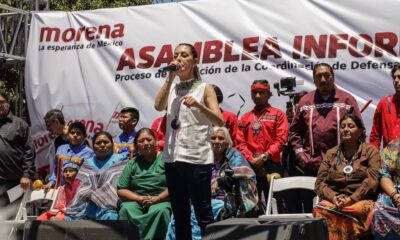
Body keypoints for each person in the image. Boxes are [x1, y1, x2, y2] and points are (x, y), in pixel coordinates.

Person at [154, 43, 224, 239]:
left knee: (203, 214)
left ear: (195, 61)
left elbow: (219, 121)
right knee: (180, 214)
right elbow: (158, 106)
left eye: (184, 55)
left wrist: (199, 106)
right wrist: (169, 78)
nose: (178, 59)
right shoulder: (172, 87)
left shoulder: (204, 88)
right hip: (172, 159)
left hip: (196, 158)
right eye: (176, 55)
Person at [166, 126, 258, 240]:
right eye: (213, 138)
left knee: (195, 214)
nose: (217, 141)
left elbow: (246, 172)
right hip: (198, 198)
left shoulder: (233, 155)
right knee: (177, 215)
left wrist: (219, 182)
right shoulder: (200, 155)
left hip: (223, 199)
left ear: (228, 142)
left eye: (221, 138)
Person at [314, 113, 380, 240]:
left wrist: (352, 199)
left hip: (360, 200)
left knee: (354, 210)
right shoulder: (331, 153)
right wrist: (334, 197)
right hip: (335, 200)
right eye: (343, 126)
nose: (346, 129)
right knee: (321, 208)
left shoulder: (371, 151)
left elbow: (372, 181)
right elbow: (319, 183)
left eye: (351, 126)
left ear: (360, 131)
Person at [289, 63, 362, 177]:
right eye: (319, 76)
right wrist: (300, 154)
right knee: (312, 195)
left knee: (340, 195)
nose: (323, 80)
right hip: (312, 165)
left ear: (333, 77)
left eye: (326, 75)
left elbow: (360, 130)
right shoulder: (305, 101)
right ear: (314, 80)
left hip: (342, 165)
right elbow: (295, 131)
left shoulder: (347, 100)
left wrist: (354, 157)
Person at [238, 80, 288, 202]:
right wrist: (252, 160)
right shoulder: (245, 117)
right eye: (254, 92)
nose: (258, 95)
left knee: (276, 203)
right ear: (251, 95)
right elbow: (240, 143)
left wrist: (264, 157)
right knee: (252, 204)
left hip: (272, 165)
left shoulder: (279, 114)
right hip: (250, 166)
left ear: (269, 94)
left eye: (262, 92)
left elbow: (281, 140)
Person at [118, 128, 171, 240]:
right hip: (137, 200)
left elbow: (176, 185)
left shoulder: (167, 160)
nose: (146, 143)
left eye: (149, 139)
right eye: (141, 141)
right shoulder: (132, 163)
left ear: (156, 141)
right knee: (126, 209)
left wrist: (157, 198)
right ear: (136, 146)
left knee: (160, 211)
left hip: (162, 200)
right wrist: (138, 198)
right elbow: (122, 189)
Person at [66, 131, 128, 220]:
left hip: (109, 206)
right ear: (93, 147)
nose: (102, 145)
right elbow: (80, 186)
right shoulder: (87, 162)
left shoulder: (121, 160)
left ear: (112, 144)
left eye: (106, 142)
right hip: (86, 207)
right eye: (98, 143)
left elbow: (120, 184)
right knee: (68, 219)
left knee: (111, 218)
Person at [0, 89, 36, 206]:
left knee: (14, 215)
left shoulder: (20, 124)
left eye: (2, 102)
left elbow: (29, 151)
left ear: (8, 103)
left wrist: (26, 174)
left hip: (15, 182)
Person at [43, 122, 94, 191]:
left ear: (84, 136)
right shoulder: (61, 149)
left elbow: (92, 174)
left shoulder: (89, 153)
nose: (75, 135)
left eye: (78, 133)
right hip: (63, 191)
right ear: (68, 135)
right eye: (72, 133)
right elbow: (56, 169)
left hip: (82, 190)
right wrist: (51, 182)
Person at [372, 138, 400, 239]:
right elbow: (384, 175)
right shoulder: (393, 146)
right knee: (379, 209)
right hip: (395, 192)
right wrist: (396, 196)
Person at [370, 65, 400, 150]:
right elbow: (375, 136)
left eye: (399, 77)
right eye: (394, 78)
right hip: (389, 160)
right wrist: (374, 159)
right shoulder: (384, 104)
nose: (396, 80)